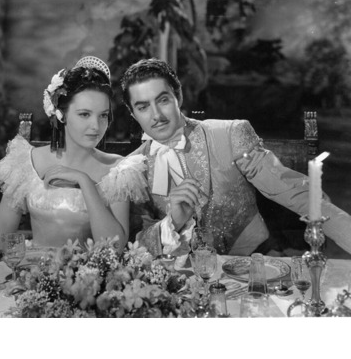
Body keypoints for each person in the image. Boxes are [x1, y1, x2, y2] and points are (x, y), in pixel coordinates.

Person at [120, 58, 351, 266]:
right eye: (143, 107)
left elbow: (295, 192)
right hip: (179, 278)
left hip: (254, 266)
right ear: (132, 113)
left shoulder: (229, 134)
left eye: (162, 100)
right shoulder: (132, 170)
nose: (156, 115)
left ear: (178, 96)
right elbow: (135, 246)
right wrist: (174, 221)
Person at [0, 56, 147, 255]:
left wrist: (84, 182)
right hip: (35, 269)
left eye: (103, 115)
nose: (96, 126)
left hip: (90, 273)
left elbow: (114, 249)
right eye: (84, 114)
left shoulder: (118, 171)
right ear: (61, 114)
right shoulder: (26, 162)